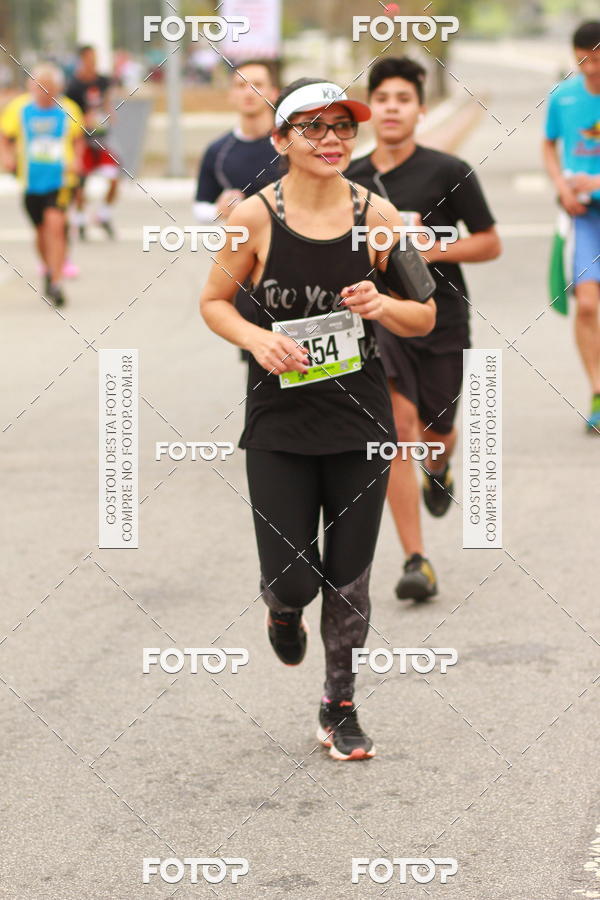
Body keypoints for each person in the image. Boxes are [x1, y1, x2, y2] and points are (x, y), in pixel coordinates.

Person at [200, 78, 436, 760]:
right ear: (281, 141)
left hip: (360, 418)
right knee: (298, 578)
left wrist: (382, 307)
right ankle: (281, 606)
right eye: (314, 127)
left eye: (343, 127)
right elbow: (214, 302)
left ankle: (340, 705)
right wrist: (255, 338)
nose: (332, 139)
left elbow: (425, 313)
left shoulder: (379, 216)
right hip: (278, 422)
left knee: (350, 574)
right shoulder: (253, 217)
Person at [347, 57, 501, 602]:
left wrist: (434, 248)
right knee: (396, 433)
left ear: (420, 108)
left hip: (442, 320)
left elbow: (489, 241)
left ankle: (441, 468)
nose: (392, 107)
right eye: (382, 98)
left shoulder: (447, 170)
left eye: (403, 99)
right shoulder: (352, 179)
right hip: (381, 320)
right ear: (373, 108)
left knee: (436, 433)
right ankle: (416, 560)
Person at [194, 59, 284, 348]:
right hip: (247, 265)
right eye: (241, 85)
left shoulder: (293, 145)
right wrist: (219, 209)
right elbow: (200, 207)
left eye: (257, 85)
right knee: (259, 349)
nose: (249, 92)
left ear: (273, 92)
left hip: (295, 255)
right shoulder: (218, 151)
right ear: (231, 95)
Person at [543, 21, 600, 432]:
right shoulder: (563, 96)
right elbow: (548, 144)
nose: (591, 66)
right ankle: (598, 391)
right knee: (588, 304)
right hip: (583, 218)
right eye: (583, 58)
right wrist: (562, 185)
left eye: (598, 58)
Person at [0, 63, 84, 307]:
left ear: (58, 88)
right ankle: (49, 269)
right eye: (40, 87)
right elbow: (5, 136)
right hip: (31, 181)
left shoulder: (69, 109)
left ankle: (57, 282)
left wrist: (77, 158)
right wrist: (6, 155)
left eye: (49, 88)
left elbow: (78, 139)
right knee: (40, 232)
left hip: (61, 181)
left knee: (55, 226)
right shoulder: (20, 108)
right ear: (32, 87)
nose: (44, 93)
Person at [66, 45, 119, 239]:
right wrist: (82, 119)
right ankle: (79, 220)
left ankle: (103, 215)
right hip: (82, 141)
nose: (93, 62)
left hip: (101, 139)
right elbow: (69, 110)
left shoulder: (103, 80)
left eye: (95, 58)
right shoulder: (73, 85)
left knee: (114, 177)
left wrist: (109, 111)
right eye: (89, 58)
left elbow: (106, 100)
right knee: (80, 185)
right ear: (82, 59)